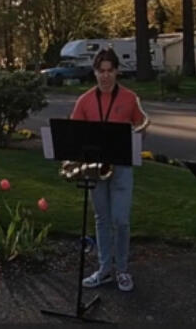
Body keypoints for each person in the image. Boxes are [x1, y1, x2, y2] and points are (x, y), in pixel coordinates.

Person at [71, 48, 148, 293]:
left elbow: (141, 126)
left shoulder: (129, 98)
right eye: (100, 71)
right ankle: (104, 270)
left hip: (122, 166)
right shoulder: (84, 100)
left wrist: (138, 135)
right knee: (102, 220)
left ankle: (122, 269)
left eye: (110, 71)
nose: (105, 76)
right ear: (95, 72)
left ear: (116, 72)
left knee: (121, 221)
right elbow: (74, 134)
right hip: (96, 168)